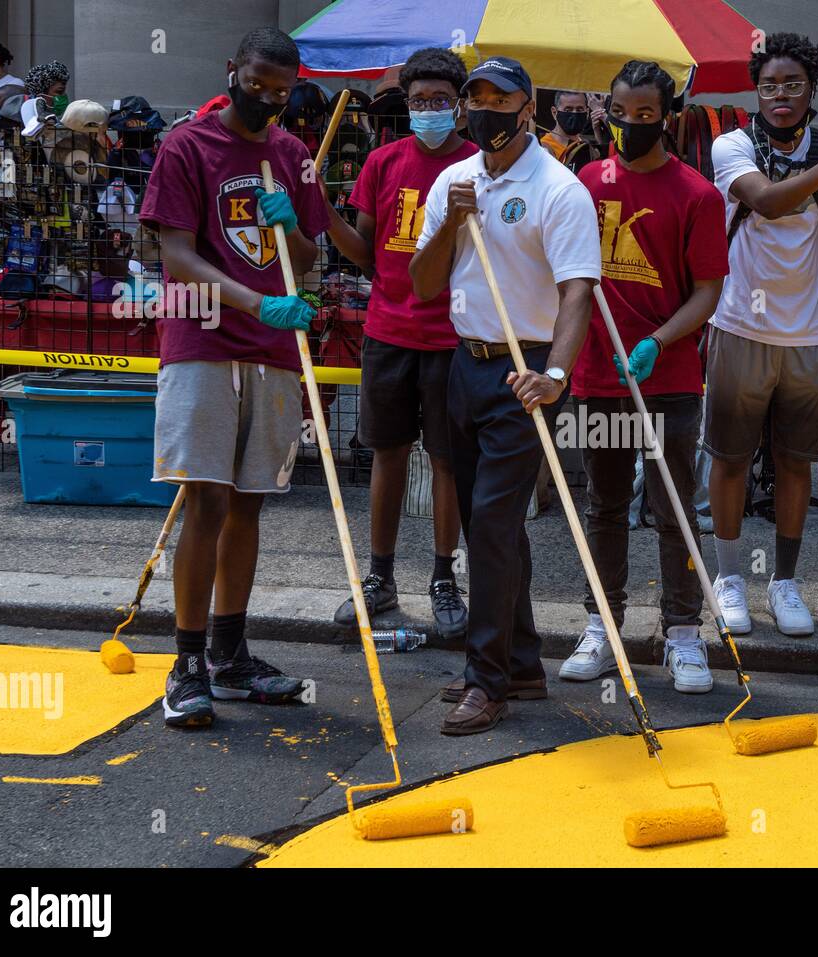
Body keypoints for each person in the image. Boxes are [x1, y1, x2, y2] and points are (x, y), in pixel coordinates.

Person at [139, 26, 330, 728]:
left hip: (272, 351)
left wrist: (295, 230)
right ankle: (186, 662)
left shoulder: (292, 154)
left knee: (250, 500)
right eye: (257, 84)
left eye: (281, 91)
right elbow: (178, 256)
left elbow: (304, 258)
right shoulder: (186, 145)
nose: (268, 100)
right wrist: (257, 301)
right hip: (202, 342)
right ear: (233, 72)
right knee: (207, 500)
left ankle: (230, 652)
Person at [409, 56, 600, 735]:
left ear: (527, 107)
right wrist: (455, 224)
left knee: (491, 522)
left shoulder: (559, 187)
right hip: (467, 364)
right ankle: (520, 659)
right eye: (476, 95)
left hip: (526, 374)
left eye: (500, 95)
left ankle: (486, 678)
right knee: (486, 522)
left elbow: (579, 289)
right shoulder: (451, 182)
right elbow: (424, 284)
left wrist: (556, 373)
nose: (484, 105)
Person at [556, 60, 727, 693]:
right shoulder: (585, 184)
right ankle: (602, 624)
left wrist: (659, 339)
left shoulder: (697, 195)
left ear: (669, 116)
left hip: (670, 377)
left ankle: (684, 632)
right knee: (604, 506)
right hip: (599, 376)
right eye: (621, 114)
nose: (631, 126)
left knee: (674, 508)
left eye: (645, 116)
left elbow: (708, 292)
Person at [705, 31, 818, 637]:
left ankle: (783, 582)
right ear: (756, 89)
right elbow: (768, 202)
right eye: (769, 84)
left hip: (810, 331)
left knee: (794, 462)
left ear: (810, 91)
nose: (779, 95)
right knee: (728, 457)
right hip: (741, 324)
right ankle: (728, 580)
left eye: (793, 85)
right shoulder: (732, 144)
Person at [325, 47, 475, 639]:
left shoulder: (476, 166)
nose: (430, 110)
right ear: (406, 107)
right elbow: (362, 252)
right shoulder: (383, 162)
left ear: (460, 107)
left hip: (453, 335)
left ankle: (443, 577)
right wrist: (320, 213)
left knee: (446, 458)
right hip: (388, 329)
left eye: (441, 101)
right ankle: (379, 578)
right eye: (419, 102)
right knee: (386, 454)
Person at [540, 89, 607, 172]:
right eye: (568, 110)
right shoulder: (543, 148)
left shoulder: (586, 146)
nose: (574, 114)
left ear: (587, 113)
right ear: (554, 112)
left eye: (579, 110)